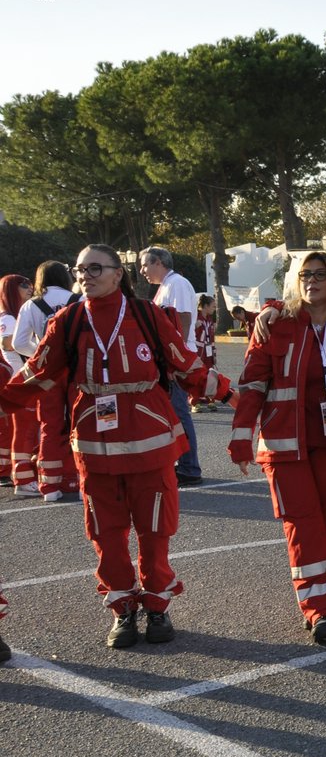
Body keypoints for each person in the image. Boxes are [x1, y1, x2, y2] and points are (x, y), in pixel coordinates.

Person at [2, 244, 217, 648]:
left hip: (151, 444)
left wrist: (234, 395)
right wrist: (4, 397)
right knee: (106, 535)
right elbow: (37, 374)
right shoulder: (67, 320)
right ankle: (122, 609)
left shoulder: (147, 314)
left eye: (95, 268)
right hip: (93, 446)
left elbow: (185, 365)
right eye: (79, 270)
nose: (85, 276)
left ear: (119, 274)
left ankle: (157, 607)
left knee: (156, 530)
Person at [229, 251, 326, 644]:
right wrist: (240, 436)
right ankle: (319, 609)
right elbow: (252, 383)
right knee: (301, 523)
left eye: (321, 274)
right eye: (304, 275)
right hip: (285, 443)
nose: (311, 281)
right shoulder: (275, 323)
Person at [138, 247, 204, 487]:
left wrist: (177, 359)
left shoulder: (177, 283)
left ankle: (189, 467)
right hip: (171, 359)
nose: (142, 270)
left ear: (158, 262)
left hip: (176, 361)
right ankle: (183, 463)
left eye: (145, 264)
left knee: (179, 412)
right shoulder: (166, 286)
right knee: (173, 413)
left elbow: (183, 318)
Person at [13, 261, 78, 501]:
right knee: (78, 424)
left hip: (48, 374)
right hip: (75, 372)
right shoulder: (79, 300)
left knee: (49, 426)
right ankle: (75, 478)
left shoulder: (31, 305)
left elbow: (19, 342)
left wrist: (42, 355)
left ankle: (50, 486)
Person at [0, 274, 34, 495]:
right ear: (11, 290)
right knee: (22, 428)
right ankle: (16, 472)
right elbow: (11, 345)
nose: (29, 288)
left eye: (30, 284)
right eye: (23, 285)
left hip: (15, 377)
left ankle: (11, 469)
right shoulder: (8, 319)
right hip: (17, 377)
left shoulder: (10, 316)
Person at [192, 295, 219, 411]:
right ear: (206, 306)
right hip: (197, 352)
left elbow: (211, 338)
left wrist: (214, 353)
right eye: (213, 306)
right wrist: (194, 326)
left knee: (210, 375)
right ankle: (194, 402)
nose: (214, 309)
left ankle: (210, 399)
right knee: (196, 376)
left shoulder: (209, 319)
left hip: (208, 352)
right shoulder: (195, 317)